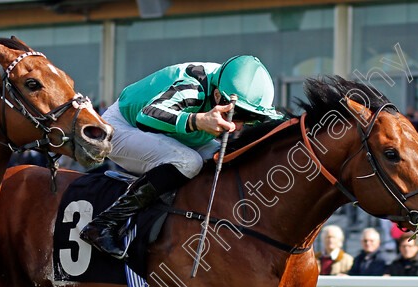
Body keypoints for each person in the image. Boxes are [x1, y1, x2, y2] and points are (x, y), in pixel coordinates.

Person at [80, 55, 282, 258]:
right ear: (219, 95)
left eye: (249, 118)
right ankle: (103, 224)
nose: (236, 125)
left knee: (226, 159)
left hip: (178, 131)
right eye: (236, 115)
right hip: (123, 126)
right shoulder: (192, 88)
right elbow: (147, 115)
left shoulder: (236, 90)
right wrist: (197, 121)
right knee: (189, 162)